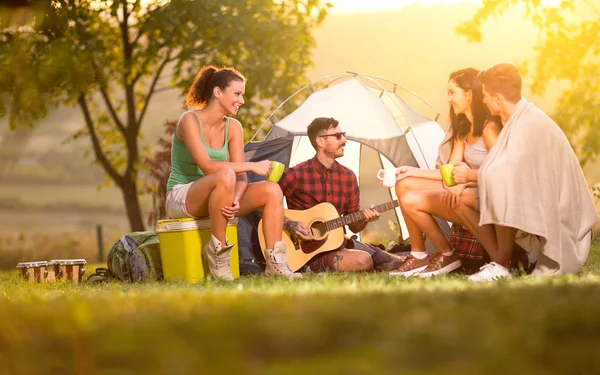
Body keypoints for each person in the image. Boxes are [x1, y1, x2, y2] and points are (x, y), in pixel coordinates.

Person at [165, 65, 301, 280]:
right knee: (225, 174)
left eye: (242, 95)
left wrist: (236, 198)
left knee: (272, 190)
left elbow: (241, 179)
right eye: (237, 94)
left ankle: (275, 263)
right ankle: (218, 253)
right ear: (218, 93)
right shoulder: (189, 120)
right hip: (183, 197)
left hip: (220, 195)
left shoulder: (234, 127)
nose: (241, 100)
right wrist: (252, 165)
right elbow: (208, 166)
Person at [466, 63, 599, 281]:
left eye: (486, 96)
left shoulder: (529, 123)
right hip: (544, 203)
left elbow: (505, 174)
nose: (483, 101)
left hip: (565, 225)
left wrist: (469, 176)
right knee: (470, 194)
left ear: (498, 99)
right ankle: (502, 261)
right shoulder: (520, 118)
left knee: (494, 183)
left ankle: (501, 265)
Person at [391, 68, 502, 277]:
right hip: (462, 191)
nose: (449, 99)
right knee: (404, 184)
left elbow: (501, 171)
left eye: (452, 92)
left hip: (482, 195)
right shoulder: (463, 129)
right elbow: (449, 173)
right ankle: (424, 254)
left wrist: (465, 182)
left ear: (469, 94)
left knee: (414, 197)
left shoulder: (489, 128)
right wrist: (411, 171)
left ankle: (449, 254)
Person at [278, 117, 406, 272]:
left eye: (343, 135)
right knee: (363, 260)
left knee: (401, 264)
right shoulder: (297, 174)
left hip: (340, 243)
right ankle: (308, 267)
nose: (344, 140)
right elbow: (264, 203)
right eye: (338, 136)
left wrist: (365, 219)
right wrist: (289, 224)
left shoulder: (348, 176)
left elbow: (353, 226)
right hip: (306, 252)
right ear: (321, 141)